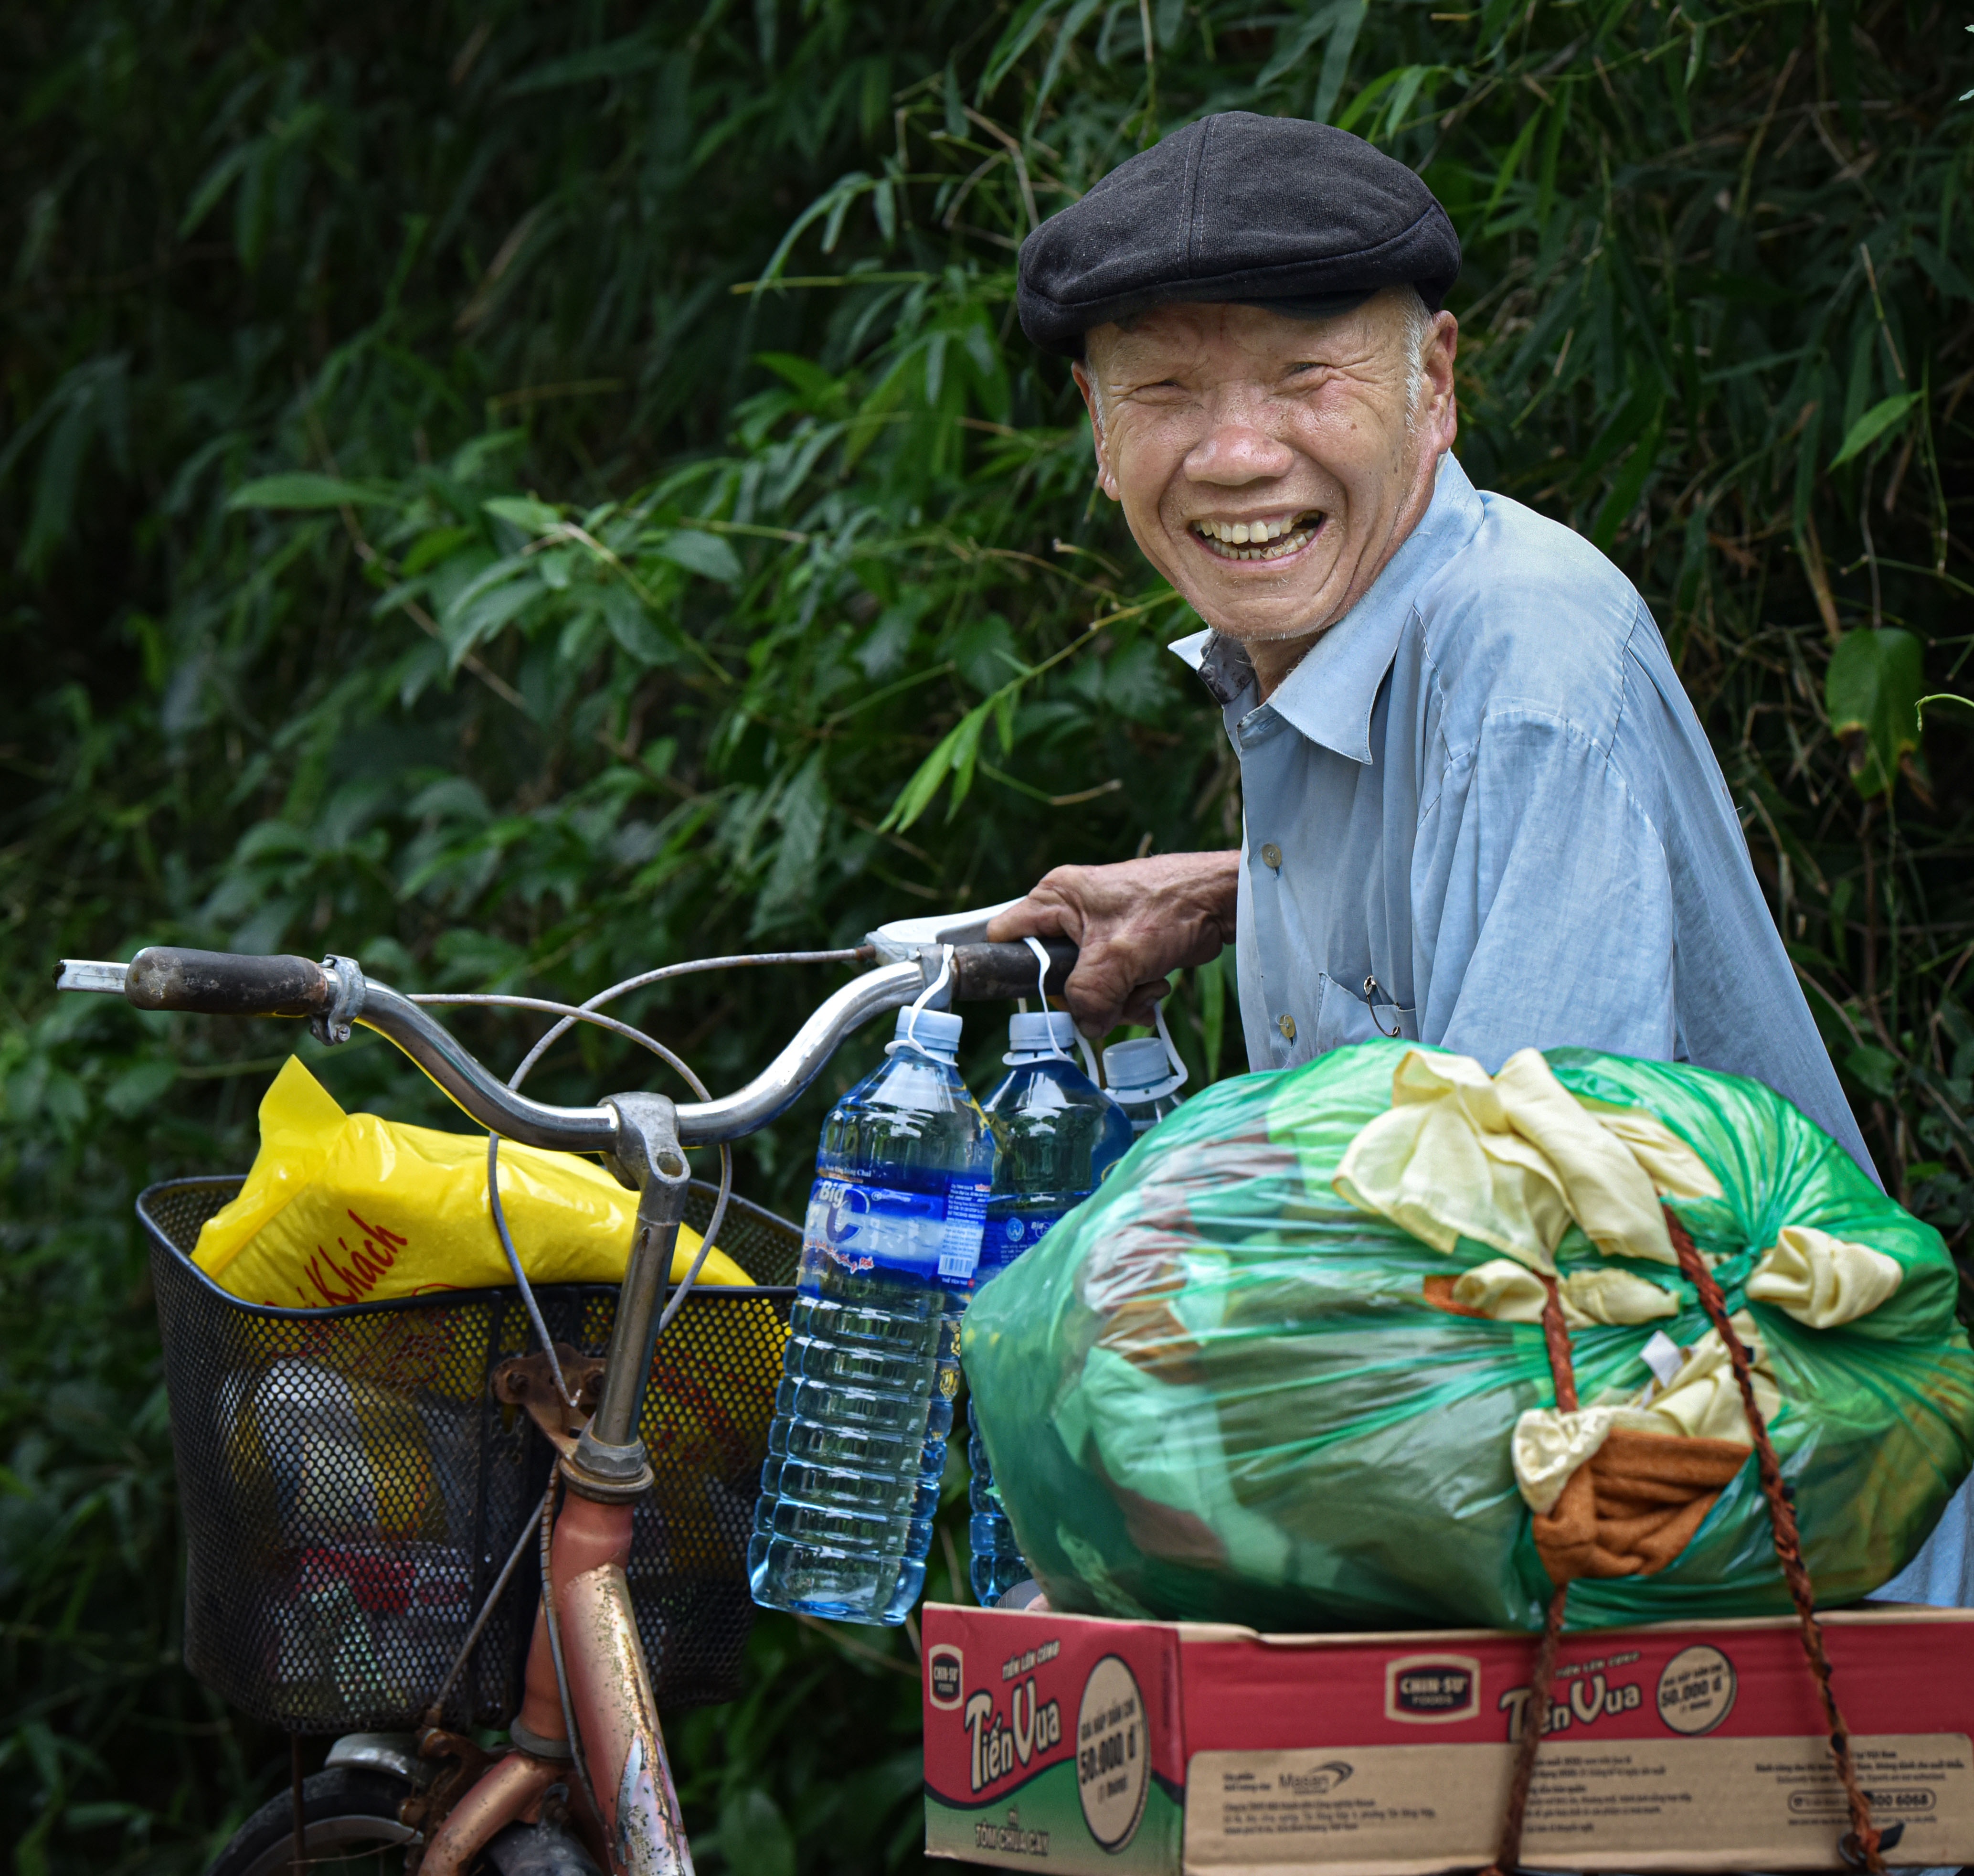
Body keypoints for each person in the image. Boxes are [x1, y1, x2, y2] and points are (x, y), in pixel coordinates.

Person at [985, 110, 1972, 1609]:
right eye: (1168, 391)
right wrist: (1222, 884)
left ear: (1434, 384)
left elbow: (1533, 1274)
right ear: (1100, 428)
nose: (1238, 451)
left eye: (1309, 378)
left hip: (1721, 1631)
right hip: (1551, 1576)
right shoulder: (1328, 655)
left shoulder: (1517, 661)